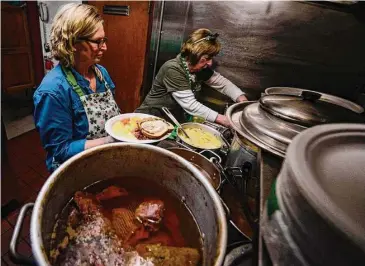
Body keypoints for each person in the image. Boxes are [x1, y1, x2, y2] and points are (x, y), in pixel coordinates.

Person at [33, 3, 120, 173]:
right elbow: (60, 150)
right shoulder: (53, 91)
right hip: (75, 171)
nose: (105, 47)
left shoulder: (101, 73)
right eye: (98, 42)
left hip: (104, 161)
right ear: (73, 42)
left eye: (105, 40)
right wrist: (109, 141)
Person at [135, 28, 248, 127]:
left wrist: (242, 101)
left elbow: (222, 83)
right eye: (207, 58)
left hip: (169, 122)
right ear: (195, 56)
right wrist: (225, 120)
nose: (210, 63)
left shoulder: (199, 69)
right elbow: (190, 105)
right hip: (149, 119)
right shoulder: (173, 69)